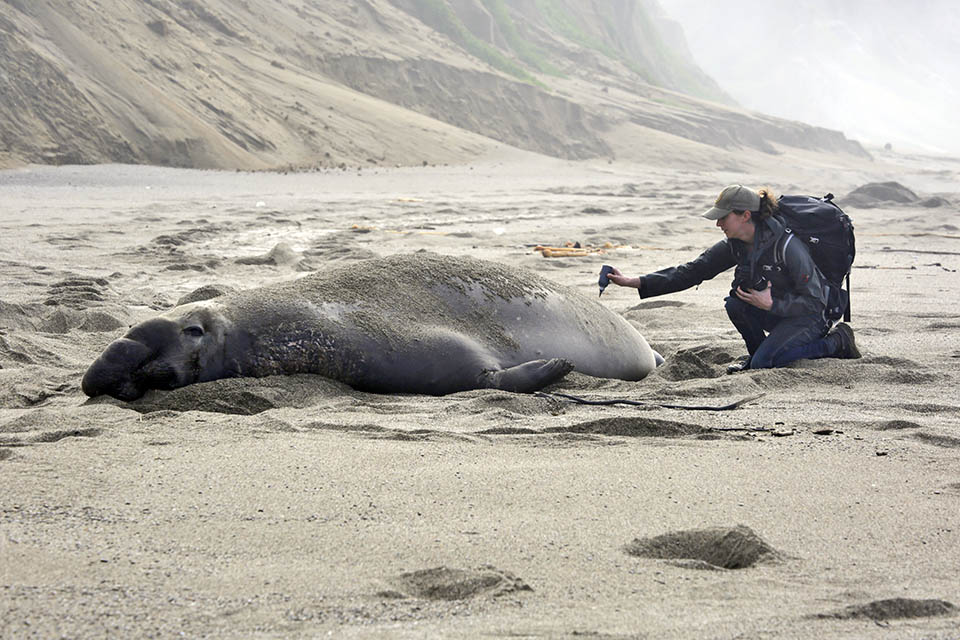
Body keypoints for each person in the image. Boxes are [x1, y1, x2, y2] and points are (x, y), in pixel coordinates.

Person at [607, 184, 860, 372]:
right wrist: (636, 281)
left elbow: (815, 303)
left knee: (767, 362)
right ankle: (759, 358)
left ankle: (837, 342)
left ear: (745, 215)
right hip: (781, 311)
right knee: (736, 304)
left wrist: (772, 305)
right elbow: (693, 271)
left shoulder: (788, 247)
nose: (718, 223)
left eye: (723, 216)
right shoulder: (737, 243)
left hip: (811, 315)